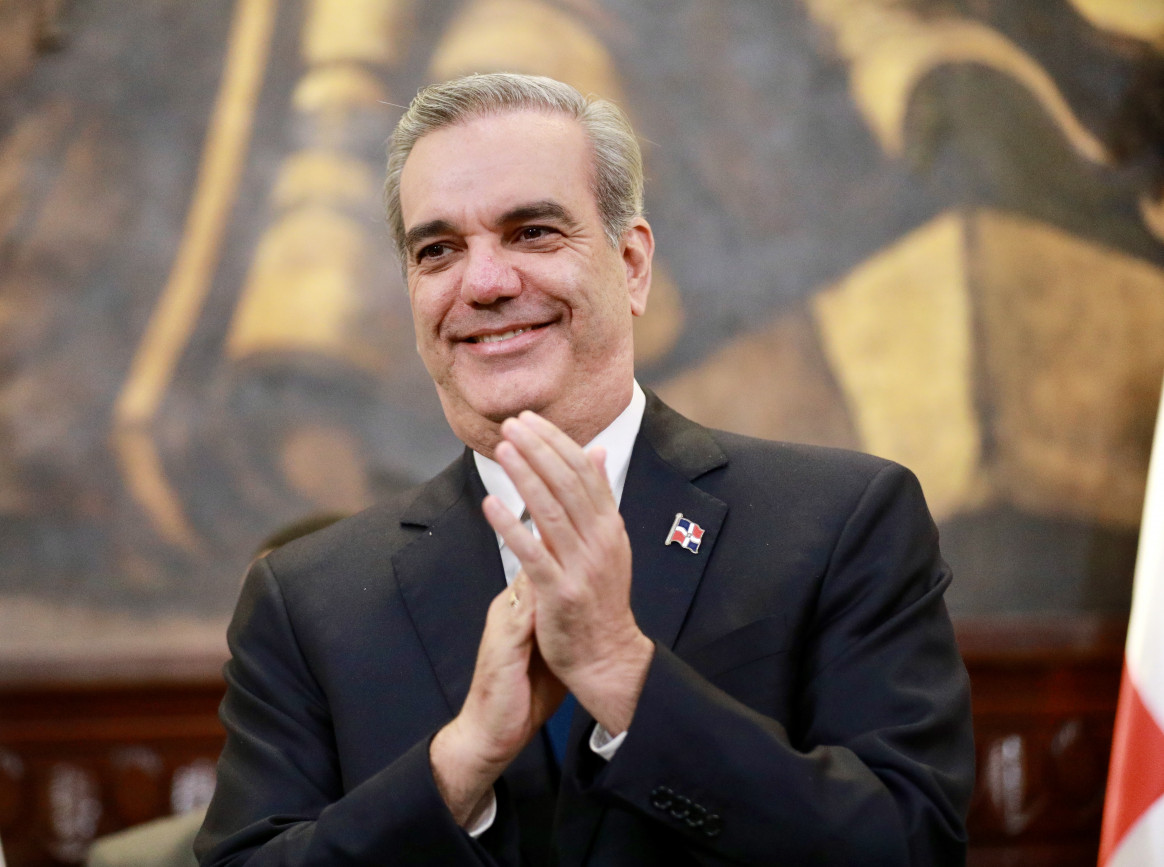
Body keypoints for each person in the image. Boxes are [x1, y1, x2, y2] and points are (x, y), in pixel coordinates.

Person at [195, 73, 973, 866]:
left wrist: (623, 674)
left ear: (631, 264)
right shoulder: (308, 597)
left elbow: (910, 846)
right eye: (438, 250)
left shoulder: (842, 521)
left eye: (532, 232)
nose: (485, 283)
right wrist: (456, 766)